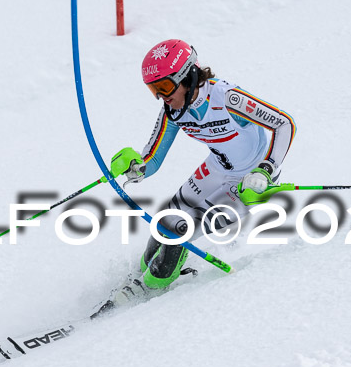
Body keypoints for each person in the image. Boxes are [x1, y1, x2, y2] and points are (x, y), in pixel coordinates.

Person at [106, 39, 297, 307]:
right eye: (154, 90)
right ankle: (140, 275)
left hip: (250, 183)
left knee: (180, 232)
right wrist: (136, 168)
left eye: (164, 87)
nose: (162, 96)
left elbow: (284, 124)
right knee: (165, 223)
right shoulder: (173, 111)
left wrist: (266, 170)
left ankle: (149, 289)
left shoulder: (227, 98)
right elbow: (153, 157)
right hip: (217, 168)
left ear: (188, 76)